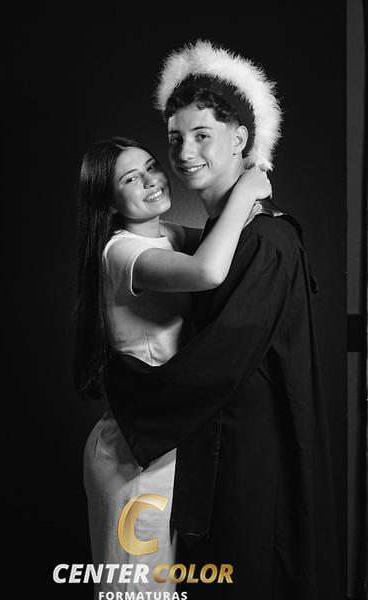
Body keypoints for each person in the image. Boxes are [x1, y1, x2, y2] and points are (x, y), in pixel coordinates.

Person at [105, 41, 341, 599]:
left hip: (252, 458)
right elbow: (182, 255)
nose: (184, 152)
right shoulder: (220, 234)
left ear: (240, 139)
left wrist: (127, 387)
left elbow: (221, 358)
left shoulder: (266, 239)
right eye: (174, 138)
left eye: (202, 135)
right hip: (216, 453)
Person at [75, 135, 271, 596]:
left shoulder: (167, 235)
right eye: (131, 179)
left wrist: (238, 174)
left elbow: (233, 244)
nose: (151, 181)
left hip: (173, 443)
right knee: (136, 592)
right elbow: (208, 271)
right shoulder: (120, 252)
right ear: (109, 201)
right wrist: (247, 188)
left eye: (151, 166)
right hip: (133, 454)